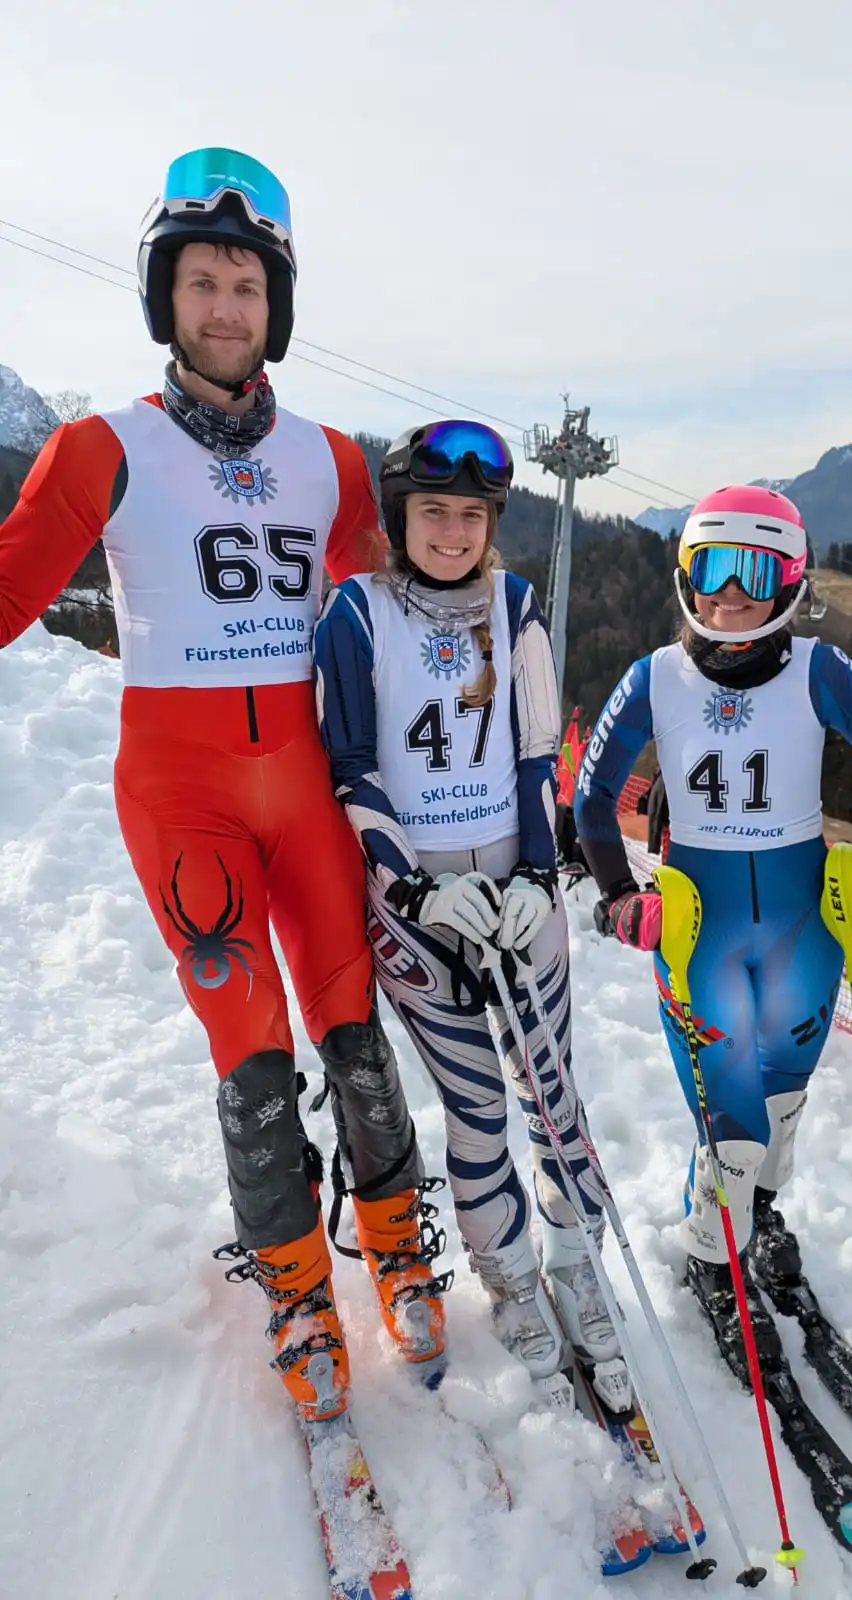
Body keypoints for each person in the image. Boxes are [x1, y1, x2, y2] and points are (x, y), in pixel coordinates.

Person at [0, 148, 444, 1421]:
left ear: (276, 306)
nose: (225, 305)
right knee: (250, 1049)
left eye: (247, 283)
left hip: (302, 783)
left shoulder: (334, 461)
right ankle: (299, 1286)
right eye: (201, 280)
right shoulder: (103, 446)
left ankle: (400, 1246)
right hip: (182, 793)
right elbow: (9, 590)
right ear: (167, 297)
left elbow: (399, 624)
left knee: (353, 1026)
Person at [314, 419, 619, 1398]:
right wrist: (412, 885)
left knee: (550, 1089)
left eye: (472, 514)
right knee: (479, 1110)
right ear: (399, 517)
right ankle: (512, 1280)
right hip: (415, 905)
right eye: (432, 511)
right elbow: (352, 767)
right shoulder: (355, 613)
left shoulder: (516, 604)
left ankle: (575, 1264)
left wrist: (535, 878)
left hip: (517, 888)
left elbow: (537, 753)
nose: (452, 531)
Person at [573, 485, 852, 1380]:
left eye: (755, 572)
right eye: (709, 569)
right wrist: (615, 895)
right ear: (684, 574)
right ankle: (711, 1253)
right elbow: (591, 798)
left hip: (803, 926)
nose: (729, 594)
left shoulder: (820, 670)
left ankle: (751, 1209)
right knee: (735, 1121)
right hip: (700, 928)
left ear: (791, 578)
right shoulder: (654, 677)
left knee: (781, 1110)